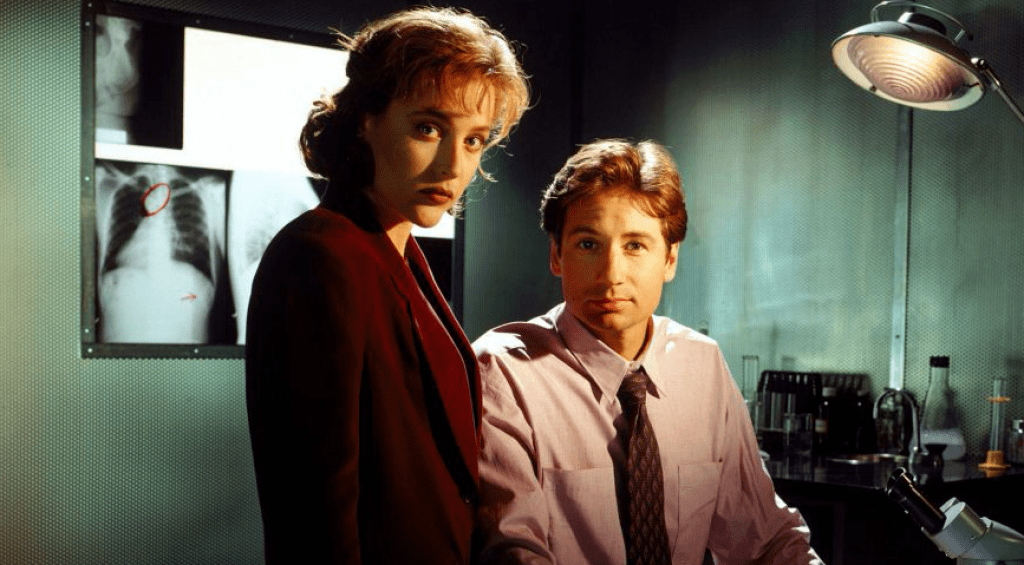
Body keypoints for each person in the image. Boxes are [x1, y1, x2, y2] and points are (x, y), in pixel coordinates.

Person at [244, 7, 529, 564]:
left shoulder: (396, 250)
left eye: (474, 140)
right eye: (429, 128)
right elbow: (316, 505)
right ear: (365, 120)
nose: (453, 166)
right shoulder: (321, 254)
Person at [473, 140, 823, 564]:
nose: (611, 275)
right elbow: (512, 552)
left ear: (670, 259)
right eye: (588, 244)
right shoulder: (502, 372)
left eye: (635, 245)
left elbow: (764, 539)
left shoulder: (702, 364)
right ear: (556, 254)